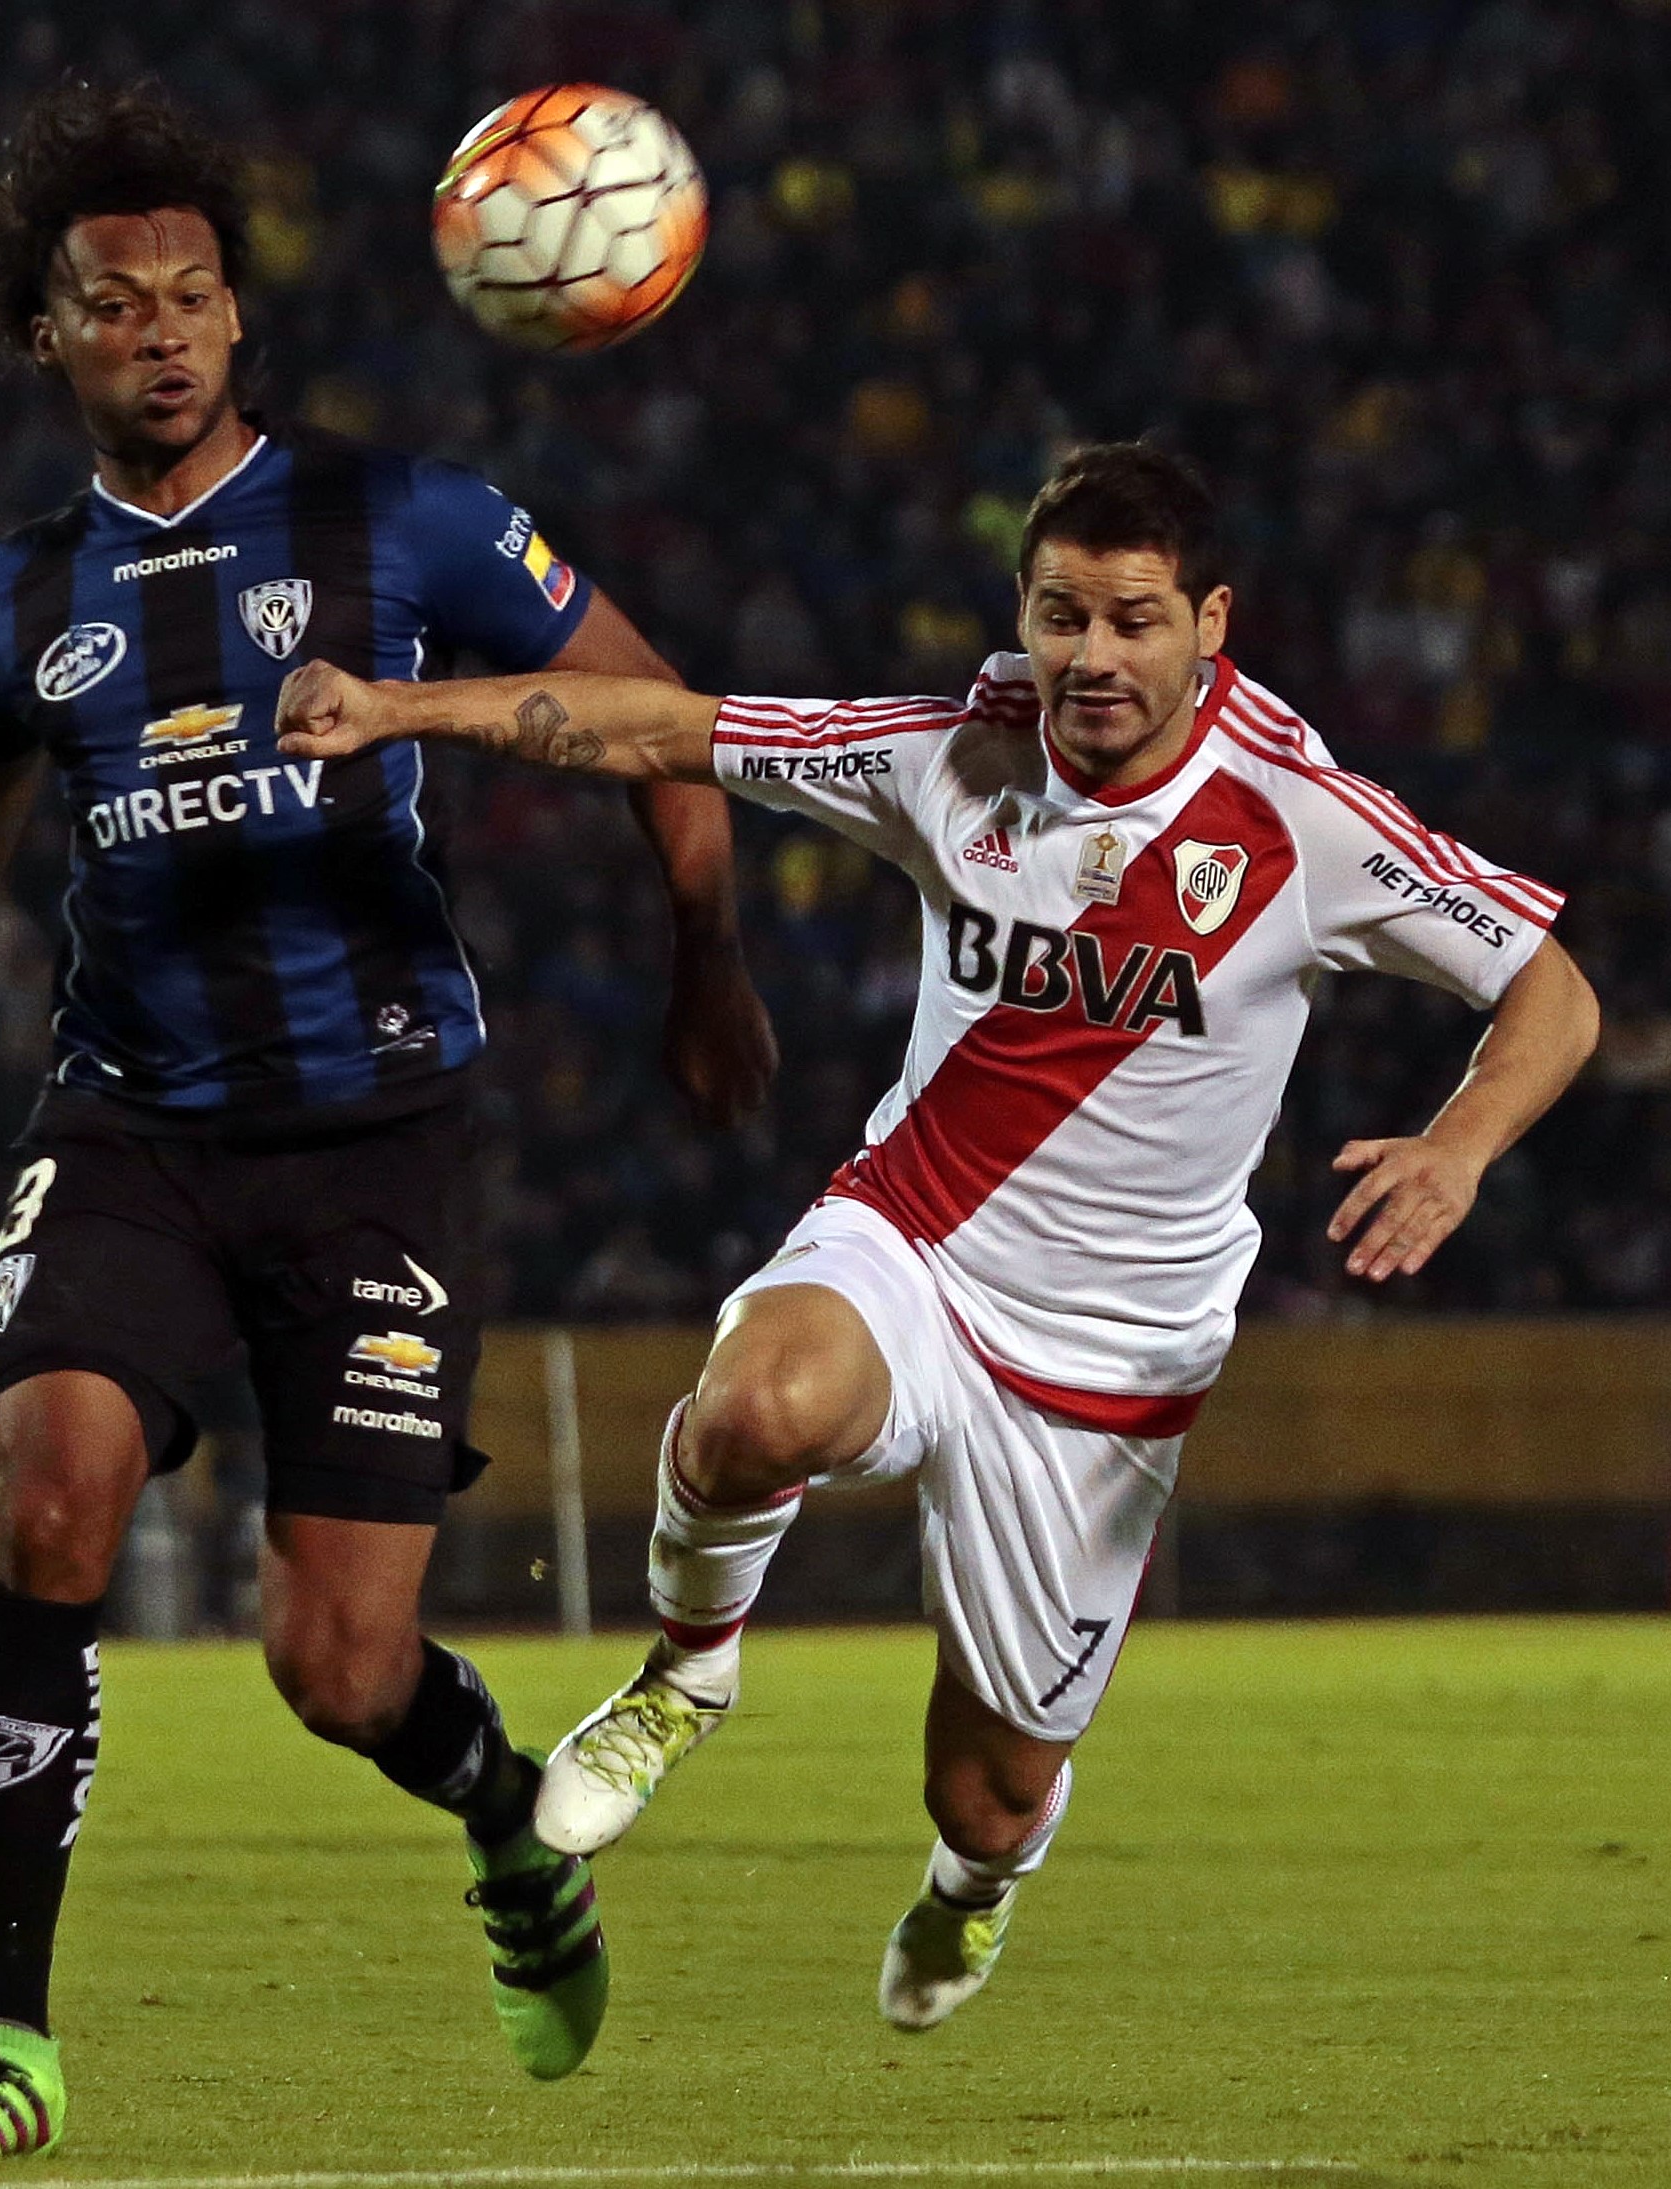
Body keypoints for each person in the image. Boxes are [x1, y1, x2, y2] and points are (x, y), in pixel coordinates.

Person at [0, 82, 772, 2158]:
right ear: (51, 336)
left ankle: (502, 1823)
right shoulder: (14, 604)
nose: (164, 329)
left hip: (377, 1134)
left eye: (195, 293)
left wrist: (702, 951)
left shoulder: (412, 521)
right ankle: (11, 2041)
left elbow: (672, 724)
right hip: (129, 1122)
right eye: (117, 303)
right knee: (49, 1489)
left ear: (237, 316)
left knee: (336, 1658)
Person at [275, 441, 1600, 2030]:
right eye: (1058, 616)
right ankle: (684, 1676)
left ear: (1209, 625)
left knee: (985, 1797)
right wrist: (400, 708)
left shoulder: (1299, 821)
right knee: (755, 1406)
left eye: (1131, 620)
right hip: (914, 1244)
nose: (1089, 658)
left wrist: (1459, 1150)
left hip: (1111, 1363)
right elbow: (664, 728)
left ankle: (970, 1895)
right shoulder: (946, 755)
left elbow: (1550, 987)